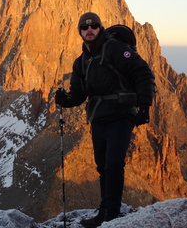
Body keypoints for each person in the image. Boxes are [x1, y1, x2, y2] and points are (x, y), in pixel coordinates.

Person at [55, 12, 155, 228]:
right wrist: (66, 100)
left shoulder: (115, 49)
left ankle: (112, 213)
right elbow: (79, 94)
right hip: (99, 117)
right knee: (103, 166)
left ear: (100, 29)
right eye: (84, 27)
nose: (89, 30)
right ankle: (105, 211)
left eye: (94, 26)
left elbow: (143, 72)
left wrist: (144, 106)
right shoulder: (81, 61)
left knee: (113, 163)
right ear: (80, 31)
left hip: (121, 115)